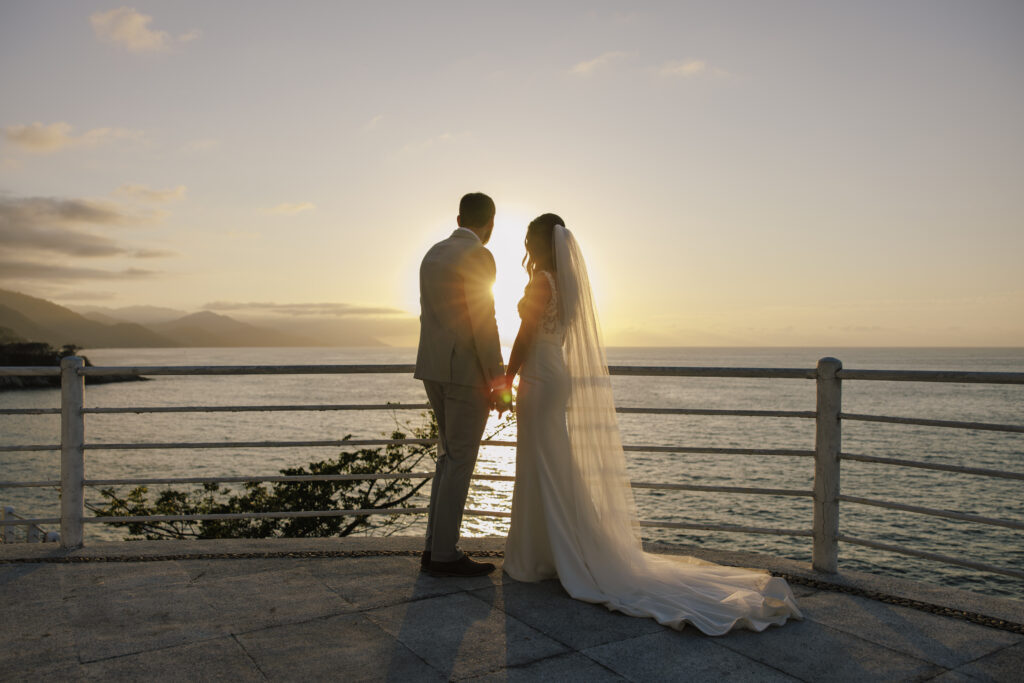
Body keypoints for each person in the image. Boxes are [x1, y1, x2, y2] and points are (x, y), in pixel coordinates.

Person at [502, 213, 803, 635]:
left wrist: (506, 376)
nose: (526, 244)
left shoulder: (541, 283)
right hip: (556, 371)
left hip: (539, 373)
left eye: (529, 237)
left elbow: (525, 332)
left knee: (541, 462)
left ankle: (542, 557)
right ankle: (554, 552)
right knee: (551, 462)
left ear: (540, 241)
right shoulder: (565, 284)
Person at [415, 192, 512, 577]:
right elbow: (482, 321)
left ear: (458, 218)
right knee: (460, 462)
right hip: (464, 373)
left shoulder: (432, 254)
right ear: (490, 223)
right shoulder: (480, 256)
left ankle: (433, 547)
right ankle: (444, 554)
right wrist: (499, 380)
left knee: (447, 458)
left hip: (433, 368)